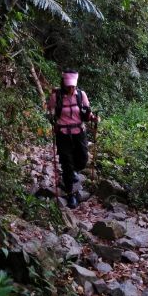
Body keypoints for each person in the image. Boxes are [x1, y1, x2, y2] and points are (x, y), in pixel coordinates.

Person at [47, 69, 99, 209]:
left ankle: (70, 174)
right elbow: (50, 111)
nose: (71, 88)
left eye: (73, 85)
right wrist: (51, 117)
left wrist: (93, 118)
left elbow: (87, 113)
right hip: (63, 133)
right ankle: (71, 194)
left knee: (82, 160)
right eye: (68, 85)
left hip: (79, 132)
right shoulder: (56, 96)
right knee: (66, 162)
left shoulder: (81, 95)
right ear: (63, 84)